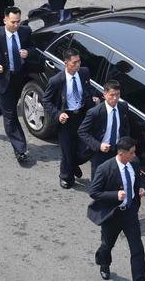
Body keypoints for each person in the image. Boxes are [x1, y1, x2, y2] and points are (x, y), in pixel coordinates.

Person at [87, 137, 145, 281]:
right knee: (107, 245)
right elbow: (94, 192)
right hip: (113, 215)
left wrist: (141, 188)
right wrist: (115, 195)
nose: (134, 155)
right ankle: (104, 263)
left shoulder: (135, 163)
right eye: (131, 153)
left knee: (137, 250)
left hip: (130, 213)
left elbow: (139, 179)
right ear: (122, 153)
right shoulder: (105, 169)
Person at [0, 6, 33, 163]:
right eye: (13, 22)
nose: (16, 25)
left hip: (19, 77)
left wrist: (28, 52)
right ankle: (20, 149)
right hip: (2, 79)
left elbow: (32, 47)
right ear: (5, 20)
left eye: (18, 22)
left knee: (8, 105)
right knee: (10, 115)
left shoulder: (25, 32)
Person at [43, 48, 98, 189]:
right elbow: (46, 101)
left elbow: (88, 89)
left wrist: (93, 97)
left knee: (87, 147)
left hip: (82, 115)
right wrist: (58, 114)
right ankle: (66, 176)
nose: (78, 65)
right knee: (67, 150)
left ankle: (73, 164)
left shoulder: (84, 73)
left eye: (79, 61)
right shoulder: (56, 81)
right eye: (74, 62)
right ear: (66, 63)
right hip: (66, 119)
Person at [79, 80, 131, 180]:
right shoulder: (95, 112)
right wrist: (99, 146)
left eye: (118, 94)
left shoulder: (123, 107)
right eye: (112, 95)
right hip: (100, 152)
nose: (115, 98)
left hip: (117, 150)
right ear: (105, 94)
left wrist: (125, 145)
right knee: (98, 181)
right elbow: (82, 132)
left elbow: (125, 127)